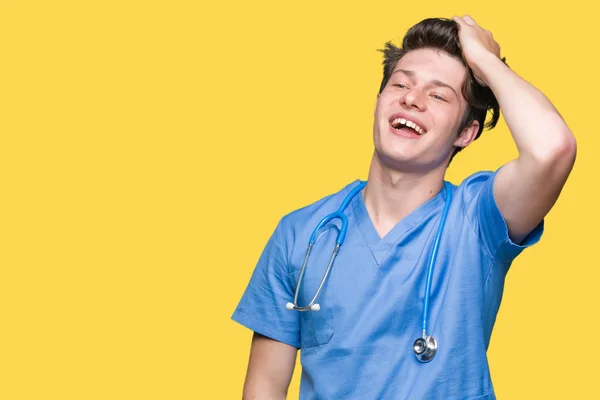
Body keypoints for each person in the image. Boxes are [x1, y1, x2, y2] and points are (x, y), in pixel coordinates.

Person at [231, 15, 576, 399]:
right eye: (401, 84)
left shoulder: (478, 218)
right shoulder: (302, 233)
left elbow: (552, 149)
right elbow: (263, 387)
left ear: (466, 132)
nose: (412, 99)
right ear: (379, 101)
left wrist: (484, 60)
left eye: (438, 95)